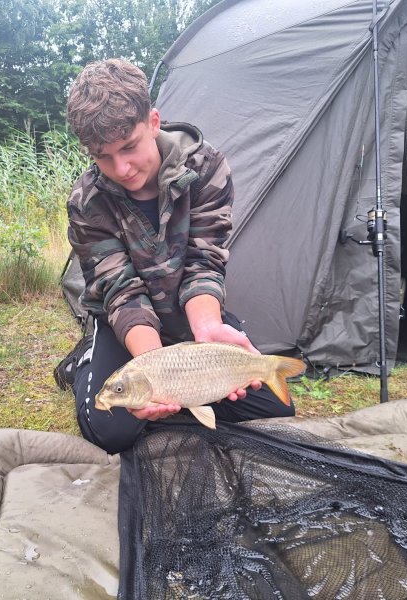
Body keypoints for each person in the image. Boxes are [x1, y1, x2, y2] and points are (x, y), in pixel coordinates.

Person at [65, 58, 294, 454]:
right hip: (127, 325)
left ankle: (188, 389)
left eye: (129, 147)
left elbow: (205, 262)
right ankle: (87, 359)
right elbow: (120, 290)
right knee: (110, 431)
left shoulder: (206, 168)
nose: (121, 167)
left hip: (191, 315)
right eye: (102, 156)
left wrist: (208, 328)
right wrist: (153, 370)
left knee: (274, 410)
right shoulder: (87, 202)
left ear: (153, 122)